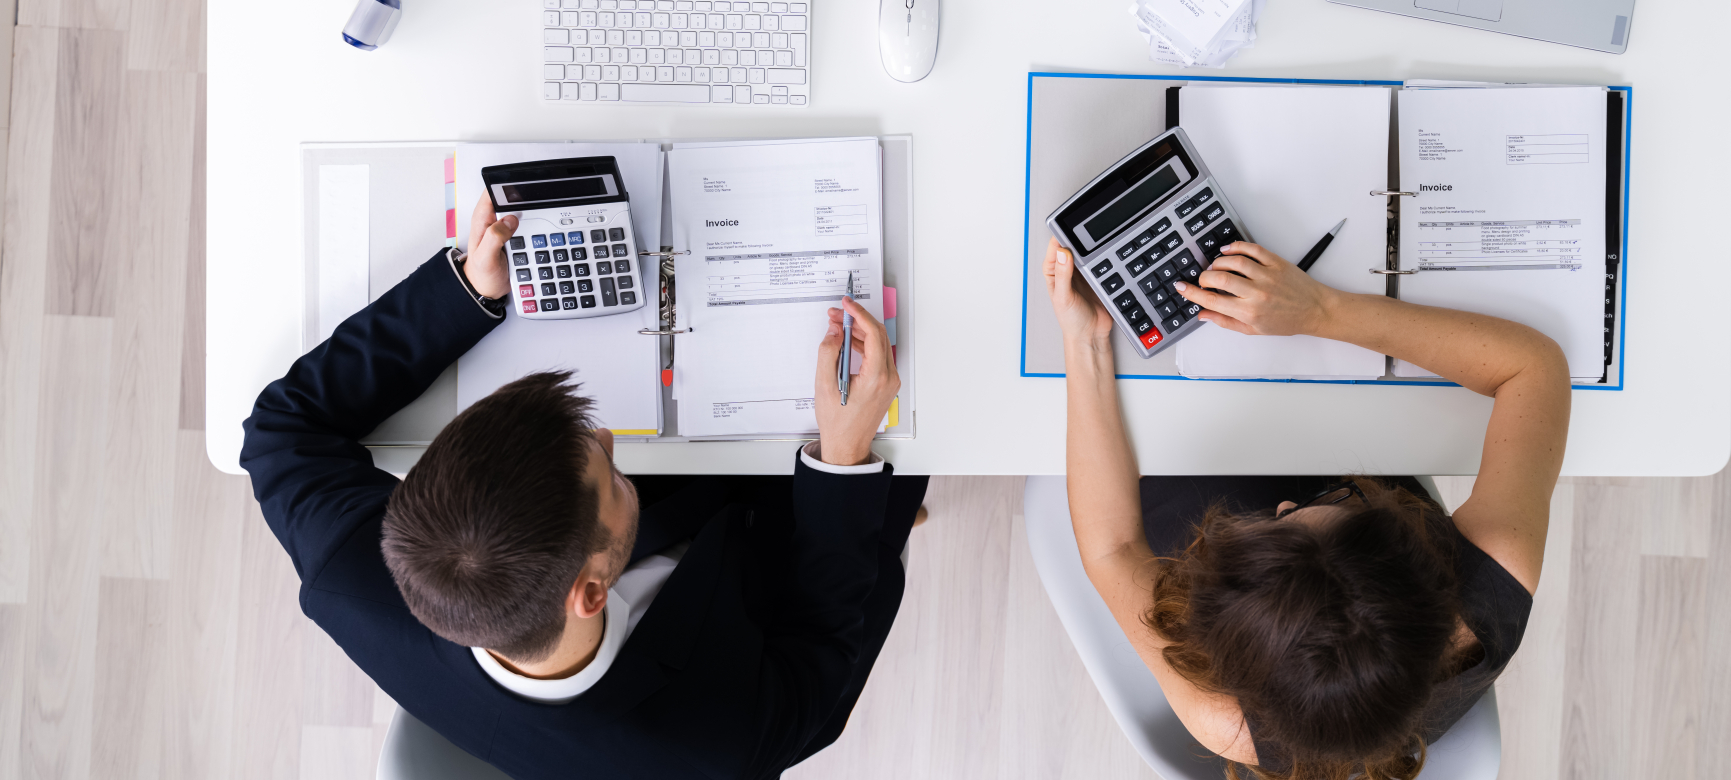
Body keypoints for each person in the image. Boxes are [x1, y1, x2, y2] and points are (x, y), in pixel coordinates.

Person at [243, 198, 925, 780]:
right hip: (784, 560)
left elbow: (279, 432)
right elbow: (818, 645)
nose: (606, 441)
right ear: (592, 589)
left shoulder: (356, 581)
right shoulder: (715, 744)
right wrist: (841, 464)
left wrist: (468, 293)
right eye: (608, 472)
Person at [1043, 235, 1569, 780]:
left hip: (1188, 491)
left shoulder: (1228, 721)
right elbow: (1532, 367)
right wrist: (1320, 309)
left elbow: (1112, 546)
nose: (1287, 502)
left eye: (1281, 519)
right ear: (1419, 556)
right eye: (1339, 500)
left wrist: (1085, 342)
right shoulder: (1489, 588)